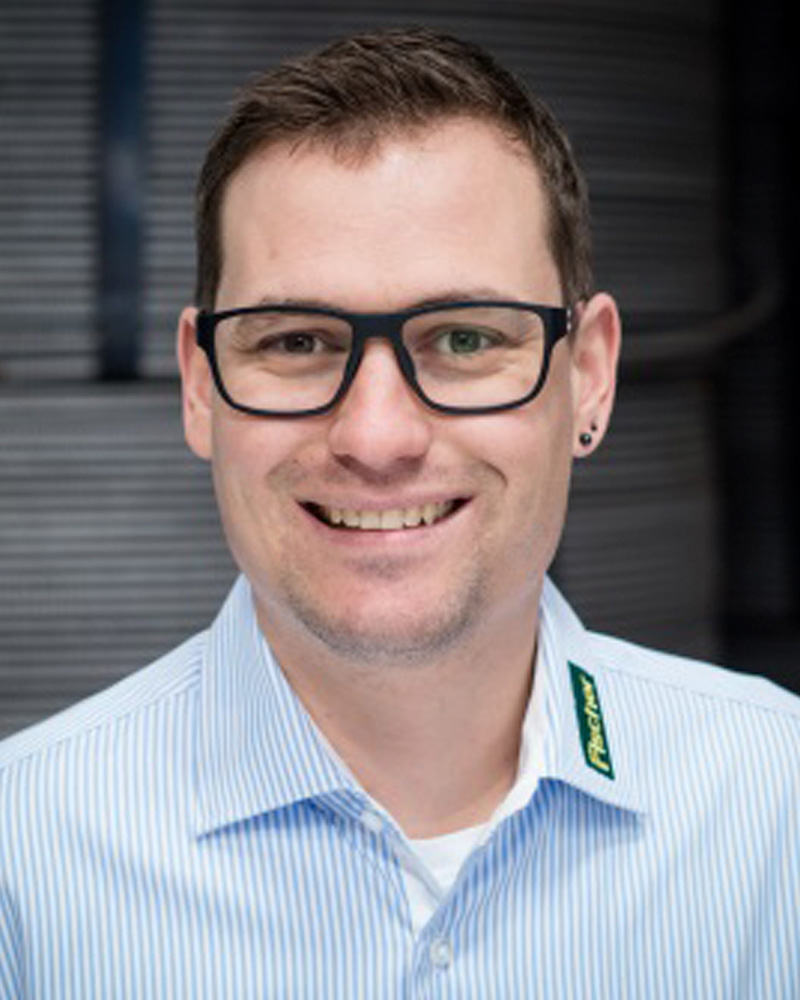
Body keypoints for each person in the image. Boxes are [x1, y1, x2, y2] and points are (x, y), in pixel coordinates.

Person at [1, 27, 797, 999]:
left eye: (463, 338)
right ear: (201, 387)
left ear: (587, 375)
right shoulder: (22, 866)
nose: (376, 437)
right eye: (296, 341)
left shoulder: (776, 808)